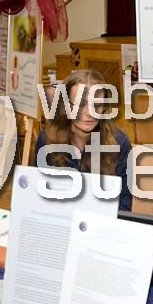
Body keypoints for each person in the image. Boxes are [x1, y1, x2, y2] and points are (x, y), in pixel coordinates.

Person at [35, 69, 132, 211]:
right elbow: (39, 197)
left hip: (101, 220)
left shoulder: (119, 143)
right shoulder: (47, 141)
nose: (90, 112)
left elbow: (124, 204)